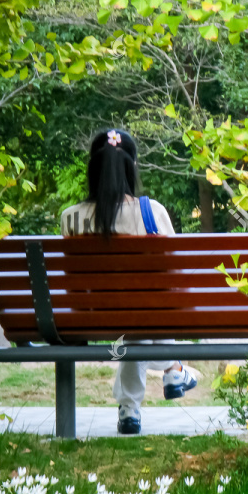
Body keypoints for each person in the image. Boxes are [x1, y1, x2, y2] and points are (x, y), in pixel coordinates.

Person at [60, 129, 197, 435]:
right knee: (144, 312)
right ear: (132, 166)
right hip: (145, 315)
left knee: (134, 322)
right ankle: (173, 368)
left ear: (92, 170)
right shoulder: (152, 212)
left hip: (89, 319)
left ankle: (130, 409)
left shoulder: (70, 218)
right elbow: (176, 276)